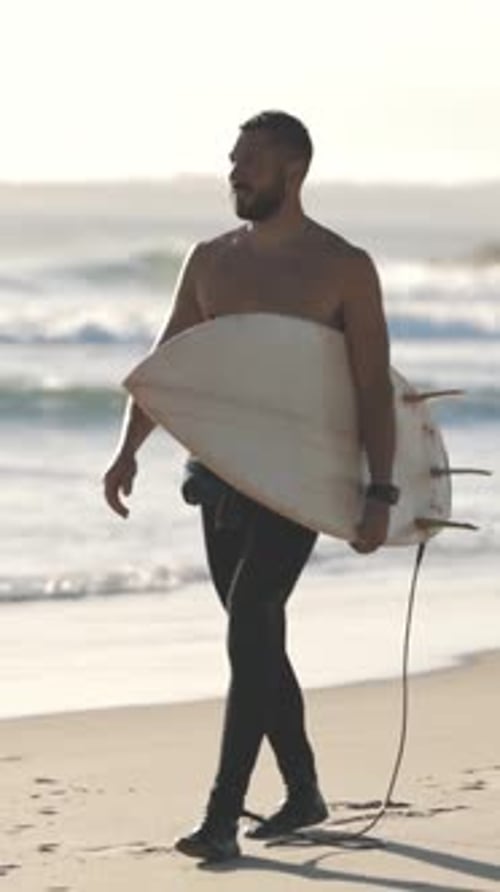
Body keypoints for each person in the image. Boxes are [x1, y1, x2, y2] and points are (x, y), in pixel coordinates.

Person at [103, 110, 397, 862]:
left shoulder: (342, 266)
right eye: (233, 160)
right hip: (220, 473)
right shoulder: (210, 260)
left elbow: (368, 385)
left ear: (293, 169)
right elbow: (170, 361)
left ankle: (220, 816)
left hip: (299, 476)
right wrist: (128, 449)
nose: (234, 172)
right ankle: (302, 791)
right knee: (254, 633)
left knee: (253, 616)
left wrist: (382, 491)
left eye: (250, 161)